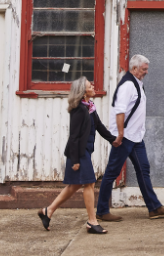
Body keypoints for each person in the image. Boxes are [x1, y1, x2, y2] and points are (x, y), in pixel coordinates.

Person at [96, 54, 164, 221]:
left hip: (136, 138)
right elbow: (120, 111)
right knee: (112, 173)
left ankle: (154, 208)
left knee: (143, 169)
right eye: (143, 69)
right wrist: (119, 134)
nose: (146, 72)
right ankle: (102, 211)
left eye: (146, 69)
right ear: (134, 69)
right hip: (124, 137)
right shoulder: (127, 86)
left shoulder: (137, 84)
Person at [39, 75, 115, 234]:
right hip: (78, 153)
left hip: (85, 151)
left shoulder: (90, 107)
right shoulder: (79, 110)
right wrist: (75, 159)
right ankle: (92, 221)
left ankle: (48, 210)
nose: (93, 86)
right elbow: (73, 136)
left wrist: (114, 140)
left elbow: (99, 127)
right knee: (89, 183)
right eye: (90, 85)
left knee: (74, 186)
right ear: (82, 91)